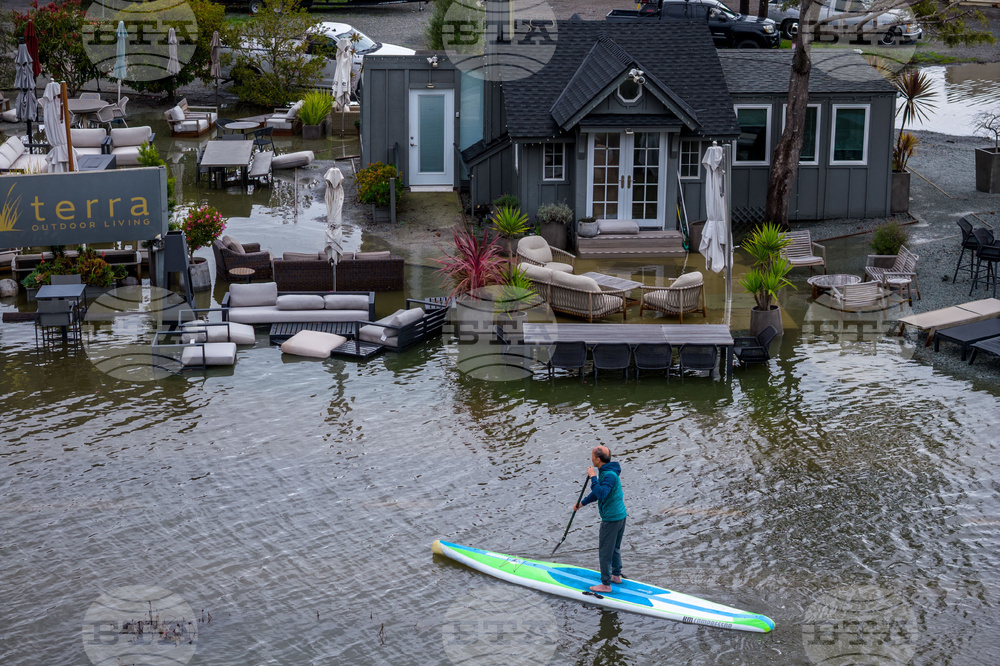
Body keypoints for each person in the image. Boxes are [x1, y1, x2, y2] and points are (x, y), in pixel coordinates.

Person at [574, 445, 627, 593]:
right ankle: (616, 576)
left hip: (611, 519)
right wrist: (582, 503)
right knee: (615, 548)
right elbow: (598, 493)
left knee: (605, 551)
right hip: (620, 516)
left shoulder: (609, 475)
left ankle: (606, 584)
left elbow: (602, 493)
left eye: (592, 457)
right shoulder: (608, 471)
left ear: (598, 459)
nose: (591, 459)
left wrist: (592, 477)